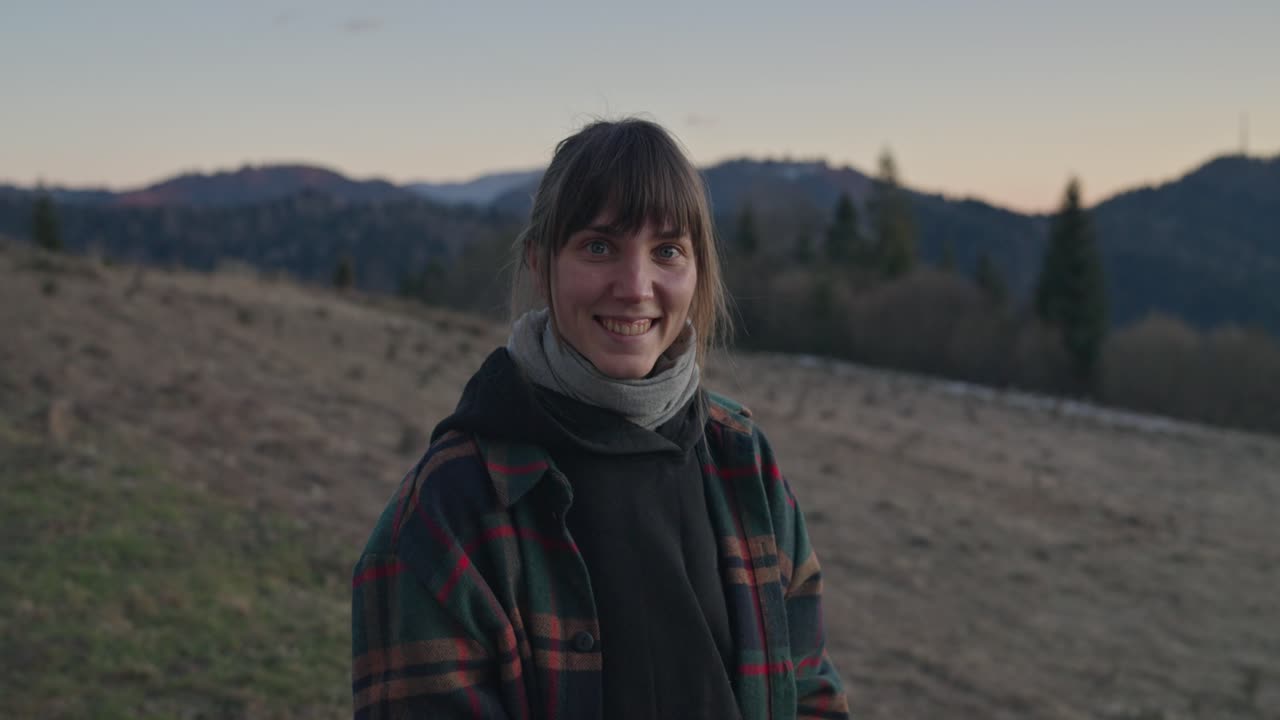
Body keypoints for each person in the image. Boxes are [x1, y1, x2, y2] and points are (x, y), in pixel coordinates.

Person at [351, 118, 848, 719]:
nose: (635, 287)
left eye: (667, 251)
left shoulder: (743, 460)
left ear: (697, 271)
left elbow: (810, 692)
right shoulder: (455, 504)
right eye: (598, 246)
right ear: (541, 263)